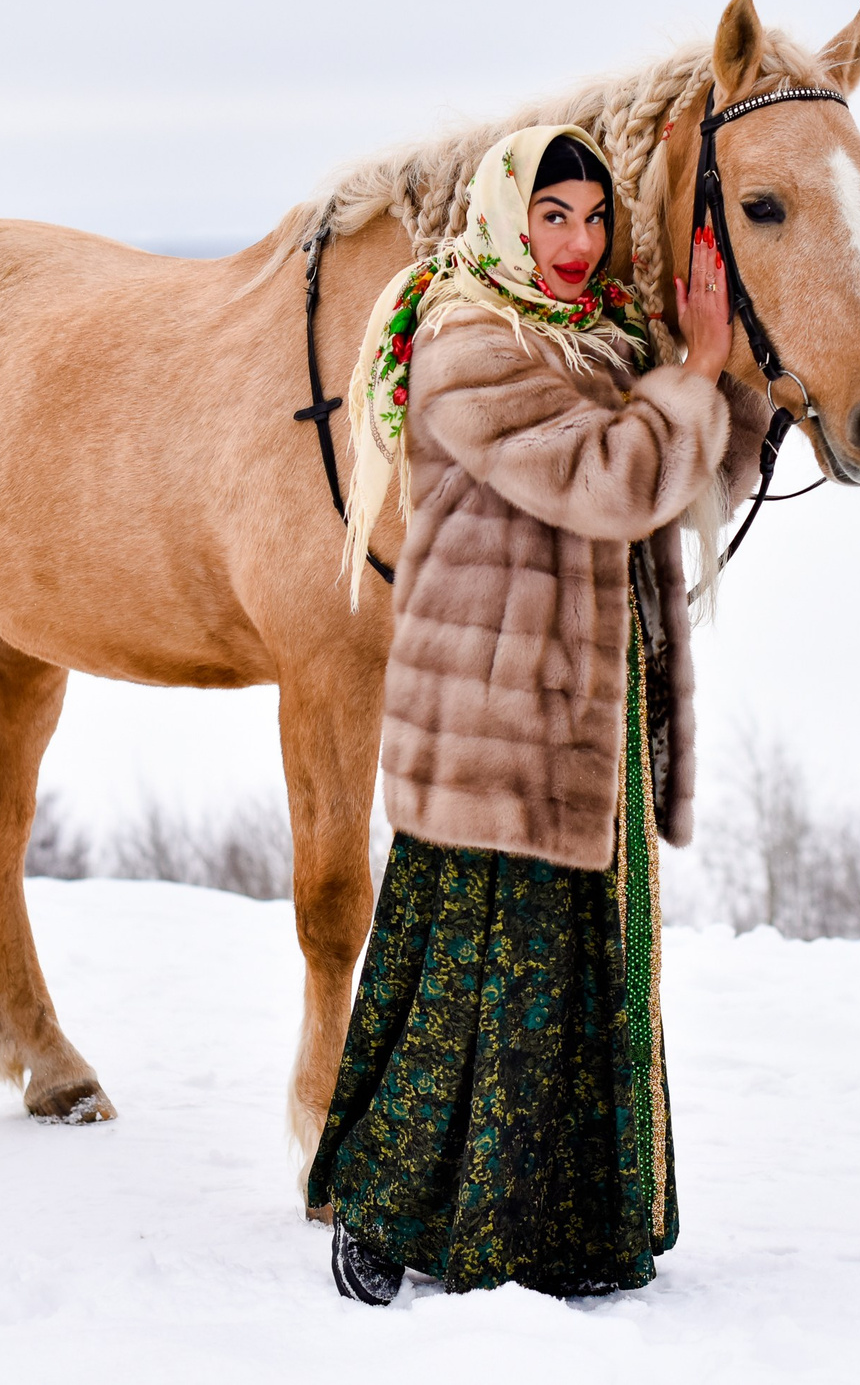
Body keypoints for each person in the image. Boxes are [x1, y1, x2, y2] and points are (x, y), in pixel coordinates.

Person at [312, 123, 766, 1302]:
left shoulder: (604, 340)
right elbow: (613, 477)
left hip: (587, 699)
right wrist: (698, 368)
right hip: (493, 709)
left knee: (579, 966)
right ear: (508, 216)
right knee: (473, 966)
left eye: (593, 216)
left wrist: (737, 377)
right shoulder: (469, 340)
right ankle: (387, 1207)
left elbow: (681, 475)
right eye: (551, 216)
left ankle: (568, 1230)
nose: (575, 241)